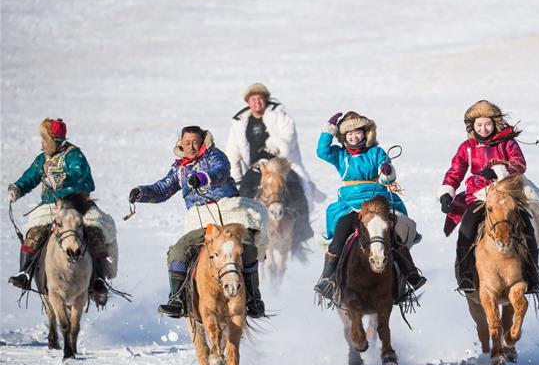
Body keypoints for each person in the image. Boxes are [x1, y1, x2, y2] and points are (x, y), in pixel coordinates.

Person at [129, 126, 267, 318]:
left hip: (229, 214)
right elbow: (163, 189)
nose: (192, 147)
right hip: (202, 221)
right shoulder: (179, 169)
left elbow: (220, 171)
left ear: (203, 142)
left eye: (195, 142)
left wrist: (201, 177)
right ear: (181, 145)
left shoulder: (214, 156)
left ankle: (253, 299)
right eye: (187, 143)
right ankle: (178, 299)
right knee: (178, 252)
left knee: (248, 248)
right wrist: (142, 193)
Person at [312, 111, 425, 303]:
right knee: (340, 235)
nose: (354, 136)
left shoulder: (376, 152)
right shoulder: (340, 155)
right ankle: (327, 279)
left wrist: (387, 172)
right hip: (350, 204)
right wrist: (328, 131)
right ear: (344, 137)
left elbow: (387, 175)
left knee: (393, 234)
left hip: (377, 200)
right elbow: (322, 151)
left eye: (358, 132)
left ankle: (410, 273)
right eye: (349, 134)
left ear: (366, 133)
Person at [437, 100, 539, 294]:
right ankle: (467, 275)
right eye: (479, 125)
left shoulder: (508, 143)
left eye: (487, 124)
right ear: (472, 126)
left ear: (495, 124)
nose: (483, 129)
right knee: (466, 230)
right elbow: (456, 171)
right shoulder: (467, 147)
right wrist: (447, 191)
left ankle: (532, 275)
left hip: (506, 194)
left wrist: (497, 171)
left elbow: (519, 165)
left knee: (527, 227)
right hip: (480, 196)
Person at [7, 118, 115, 306]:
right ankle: (24, 272)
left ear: (52, 139)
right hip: (50, 205)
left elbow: (81, 178)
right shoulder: (43, 159)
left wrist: (62, 184)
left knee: (94, 231)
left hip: (78, 203)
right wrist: (17, 188)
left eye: (44, 138)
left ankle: (99, 278)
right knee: (34, 233)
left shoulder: (75, 156)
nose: (41, 142)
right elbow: (30, 177)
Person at [226, 83, 323, 246]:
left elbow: (290, 136)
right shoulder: (240, 123)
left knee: (296, 188)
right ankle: (245, 234)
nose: (257, 102)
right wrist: (236, 176)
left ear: (266, 99)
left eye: (260, 98)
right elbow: (232, 151)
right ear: (248, 102)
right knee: (244, 193)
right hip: (256, 166)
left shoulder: (280, 116)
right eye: (253, 99)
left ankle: (302, 232)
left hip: (280, 164)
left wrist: (276, 144)